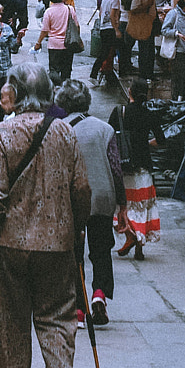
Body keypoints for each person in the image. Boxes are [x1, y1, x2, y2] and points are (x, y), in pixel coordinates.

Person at [0, 63, 89, 368]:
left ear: (16, 93)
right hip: (57, 242)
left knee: (11, 319)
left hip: (11, 244)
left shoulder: (4, 132)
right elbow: (81, 188)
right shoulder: (65, 132)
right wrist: (76, 227)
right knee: (58, 314)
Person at [54, 81, 125, 326]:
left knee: (74, 254)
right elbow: (116, 169)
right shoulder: (104, 129)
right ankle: (99, 294)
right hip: (103, 197)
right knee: (101, 249)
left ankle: (79, 309)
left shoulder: (58, 129)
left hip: (71, 200)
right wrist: (122, 205)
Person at [112, 78, 160, 258]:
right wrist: (145, 144)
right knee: (142, 207)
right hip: (144, 166)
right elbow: (161, 140)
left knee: (125, 204)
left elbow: (110, 137)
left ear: (130, 91)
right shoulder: (150, 114)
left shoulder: (120, 112)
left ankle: (130, 236)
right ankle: (139, 245)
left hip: (125, 165)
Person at [35, 0, 79, 84]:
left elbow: (45, 30)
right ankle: (65, 91)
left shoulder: (49, 12)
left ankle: (55, 90)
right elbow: (76, 25)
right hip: (68, 44)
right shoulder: (70, 9)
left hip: (54, 45)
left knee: (54, 70)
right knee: (66, 70)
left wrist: (38, 42)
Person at [125, 0, 160, 83]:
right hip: (143, 26)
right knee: (144, 51)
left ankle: (149, 74)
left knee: (150, 51)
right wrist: (147, 5)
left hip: (150, 25)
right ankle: (144, 75)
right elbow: (133, 9)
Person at [90, 0, 125, 88]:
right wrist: (116, 30)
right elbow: (112, 15)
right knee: (118, 48)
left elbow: (101, 13)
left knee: (105, 52)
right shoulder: (115, 0)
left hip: (103, 28)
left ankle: (99, 73)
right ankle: (94, 75)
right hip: (110, 29)